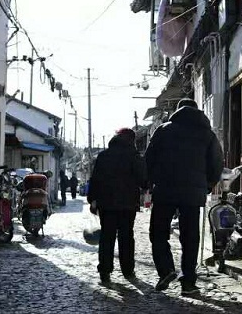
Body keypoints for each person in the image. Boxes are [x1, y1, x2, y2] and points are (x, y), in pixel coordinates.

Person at [145, 98, 223, 296]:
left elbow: (149, 159)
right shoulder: (208, 134)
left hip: (165, 190)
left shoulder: (163, 130)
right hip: (193, 193)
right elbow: (217, 163)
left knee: (158, 233)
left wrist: (151, 183)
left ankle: (166, 270)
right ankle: (188, 283)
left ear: (177, 111)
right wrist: (207, 185)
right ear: (197, 111)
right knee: (190, 238)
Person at [87, 128, 146, 284]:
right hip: (128, 205)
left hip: (106, 205)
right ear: (131, 140)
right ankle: (128, 270)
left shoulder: (103, 156)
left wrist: (92, 199)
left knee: (107, 237)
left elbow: (95, 180)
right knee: (126, 237)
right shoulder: (134, 157)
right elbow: (143, 180)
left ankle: (105, 271)